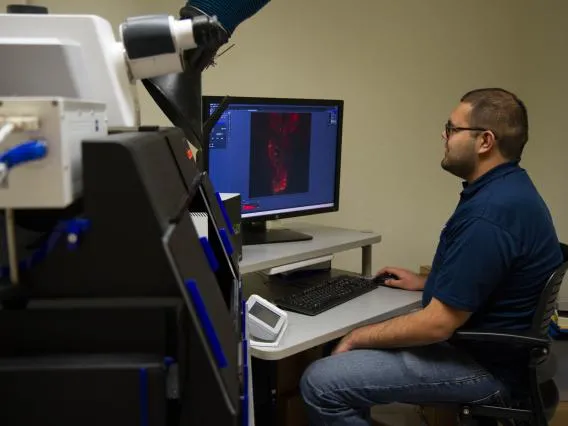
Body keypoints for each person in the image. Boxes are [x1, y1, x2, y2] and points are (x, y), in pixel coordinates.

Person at [300, 88, 564, 425]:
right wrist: (425, 282)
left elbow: (438, 324)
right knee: (342, 354)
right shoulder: (509, 189)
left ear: (484, 141)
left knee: (321, 383)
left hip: (488, 370)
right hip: (502, 356)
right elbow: (492, 277)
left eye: (452, 129)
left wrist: (357, 336)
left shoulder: (490, 213)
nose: (444, 135)